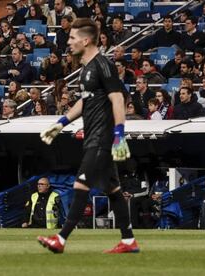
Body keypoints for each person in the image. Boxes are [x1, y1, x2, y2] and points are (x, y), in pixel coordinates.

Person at [38, 18, 139, 254]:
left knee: (80, 183)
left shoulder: (103, 65)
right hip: (93, 134)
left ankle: (61, 239)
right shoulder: (86, 68)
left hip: (103, 137)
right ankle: (128, 241)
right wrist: (61, 123)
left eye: (72, 38)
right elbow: (85, 101)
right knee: (113, 189)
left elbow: (118, 99)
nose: (69, 42)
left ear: (86, 40)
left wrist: (119, 133)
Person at [120, 159, 149, 228]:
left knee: (131, 201)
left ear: (136, 164)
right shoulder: (123, 174)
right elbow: (120, 187)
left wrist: (132, 195)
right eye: (128, 163)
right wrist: (123, 194)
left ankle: (133, 225)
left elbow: (145, 190)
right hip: (126, 195)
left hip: (139, 196)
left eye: (132, 163)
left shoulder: (141, 174)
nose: (130, 165)